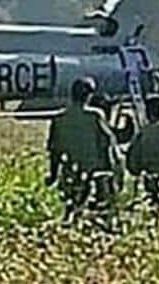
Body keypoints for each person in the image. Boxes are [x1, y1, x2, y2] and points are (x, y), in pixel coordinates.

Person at [46, 77, 119, 225]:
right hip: (95, 175)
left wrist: (53, 176)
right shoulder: (95, 115)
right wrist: (111, 173)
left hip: (70, 176)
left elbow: (54, 151)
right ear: (89, 96)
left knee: (71, 212)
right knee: (101, 215)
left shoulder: (59, 118)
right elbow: (107, 144)